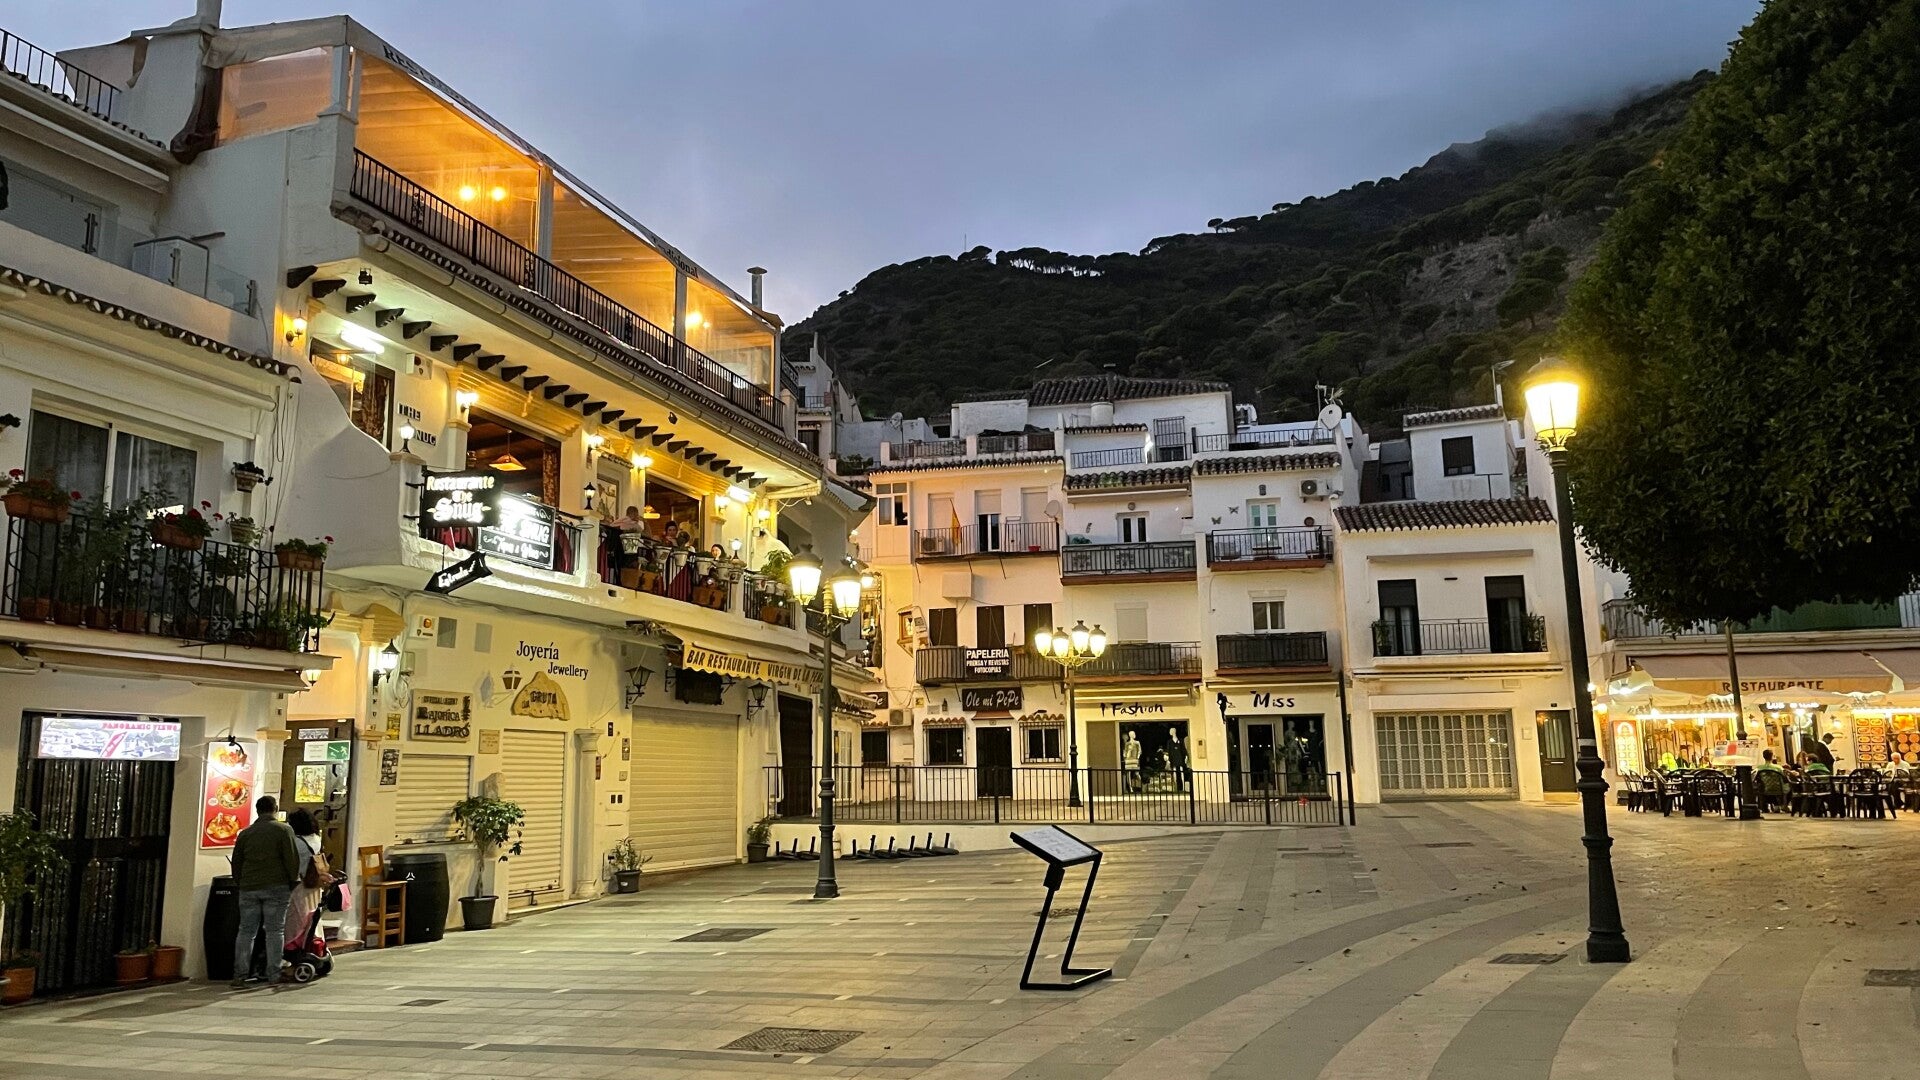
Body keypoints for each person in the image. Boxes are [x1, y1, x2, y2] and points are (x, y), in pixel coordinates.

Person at [230, 795, 300, 987]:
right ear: (275, 809)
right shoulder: (284, 830)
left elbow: (237, 862)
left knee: (246, 931)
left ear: (257, 810)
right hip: (277, 887)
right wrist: (292, 880)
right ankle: (273, 974)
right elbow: (291, 859)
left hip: (248, 887)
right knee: (275, 931)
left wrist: (240, 882)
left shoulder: (245, 833)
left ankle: (240, 975)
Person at [283, 809, 326, 950]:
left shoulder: (296, 842)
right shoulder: (316, 839)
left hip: (299, 885)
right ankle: (313, 944)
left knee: (295, 919)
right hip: (313, 885)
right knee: (312, 918)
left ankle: (293, 947)